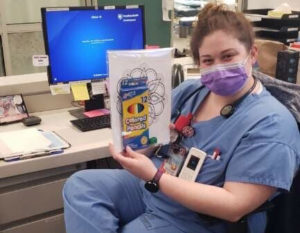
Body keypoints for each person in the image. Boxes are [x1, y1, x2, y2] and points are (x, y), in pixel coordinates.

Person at [63, 4, 300, 233]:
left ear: (252, 54)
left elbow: (234, 206)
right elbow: (152, 138)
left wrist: (155, 175)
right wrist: (145, 144)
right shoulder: (192, 91)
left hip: (194, 219)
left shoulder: (271, 124)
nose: (217, 67)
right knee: (80, 187)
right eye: (208, 60)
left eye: (228, 56)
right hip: (150, 190)